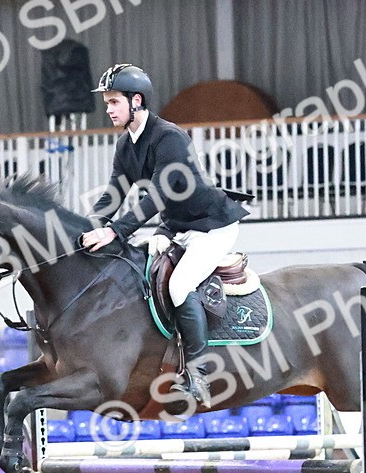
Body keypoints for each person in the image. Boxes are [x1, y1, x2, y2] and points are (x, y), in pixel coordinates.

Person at [81, 64, 248, 406]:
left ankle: (199, 373)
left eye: (114, 102)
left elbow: (156, 196)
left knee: (178, 285)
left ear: (136, 101)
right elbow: (113, 194)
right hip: (177, 228)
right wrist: (90, 224)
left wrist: (115, 231)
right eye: (108, 103)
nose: (109, 109)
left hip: (210, 226)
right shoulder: (126, 147)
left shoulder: (170, 138)